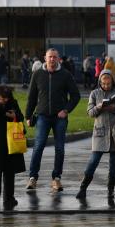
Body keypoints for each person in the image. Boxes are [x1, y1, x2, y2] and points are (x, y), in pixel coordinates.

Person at [25, 48, 80, 192]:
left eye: (54, 57)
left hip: (59, 117)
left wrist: (66, 110)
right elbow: (31, 97)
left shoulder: (65, 75)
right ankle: (32, 178)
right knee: (38, 146)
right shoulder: (37, 74)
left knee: (60, 148)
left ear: (58, 59)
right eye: (50, 57)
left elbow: (76, 96)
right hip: (42, 116)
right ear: (45, 58)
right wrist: (28, 116)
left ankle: (56, 179)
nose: (52, 60)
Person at [75, 69, 115, 200]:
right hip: (100, 133)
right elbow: (90, 113)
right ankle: (83, 188)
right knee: (93, 162)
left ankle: (110, 190)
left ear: (112, 82)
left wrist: (114, 109)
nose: (106, 86)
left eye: (108, 83)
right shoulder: (94, 93)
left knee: (114, 165)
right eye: (103, 83)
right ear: (100, 82)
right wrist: (98, 107)